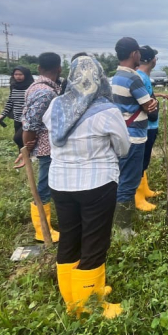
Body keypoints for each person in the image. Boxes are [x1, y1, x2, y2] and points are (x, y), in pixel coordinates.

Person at [43, 55, 128, 318]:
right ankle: (89, 306)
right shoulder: (106, 110)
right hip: (96, 184)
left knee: (70, 237)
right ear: (101, 79)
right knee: (94, 241)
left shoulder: (56, 105)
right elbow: (123, 148)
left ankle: (73, 301)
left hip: (60, 183)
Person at [111, 37, 159, 234]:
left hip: (121, 133)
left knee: (122, 178)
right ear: (134, 54)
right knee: (129, 182)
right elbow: (150, 108)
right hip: (134, 136)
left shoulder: (116, 77)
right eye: (138, 52)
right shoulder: (133, 78)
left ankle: (121, 222)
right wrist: (152, 106)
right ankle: (123, 229)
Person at [22, 52, 63, 243]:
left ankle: (46, 225)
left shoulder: (36, 87)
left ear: (39, 69)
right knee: (45, 186)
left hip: (47, 145)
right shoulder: (45, 92)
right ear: (59, 69)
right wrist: (27, 148)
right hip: (47, 147)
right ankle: (42, 230)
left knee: (49, 184)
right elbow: (30, 124)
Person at [136, 46, 168, 210]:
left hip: (150, 125)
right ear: (150, 60)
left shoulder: (144, 77)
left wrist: (157, 96)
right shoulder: (140, 78)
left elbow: (147, 96)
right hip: (145, 126)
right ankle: (138, 198)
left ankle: (145, 189)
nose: (156, 60)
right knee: (140, 161)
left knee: (145, 159)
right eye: (155, 57)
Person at [0, 66, 34, 169]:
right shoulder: (14, 86)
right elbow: (10, 102)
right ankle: (25, 161)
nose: (18, 77)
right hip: (17, 119)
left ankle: (30, 155)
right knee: (20, 142)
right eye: (16, 74)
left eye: (20, 74)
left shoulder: (31, 87)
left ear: (26, 75)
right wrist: (2, 115)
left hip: (27, 120)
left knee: (18, 138)